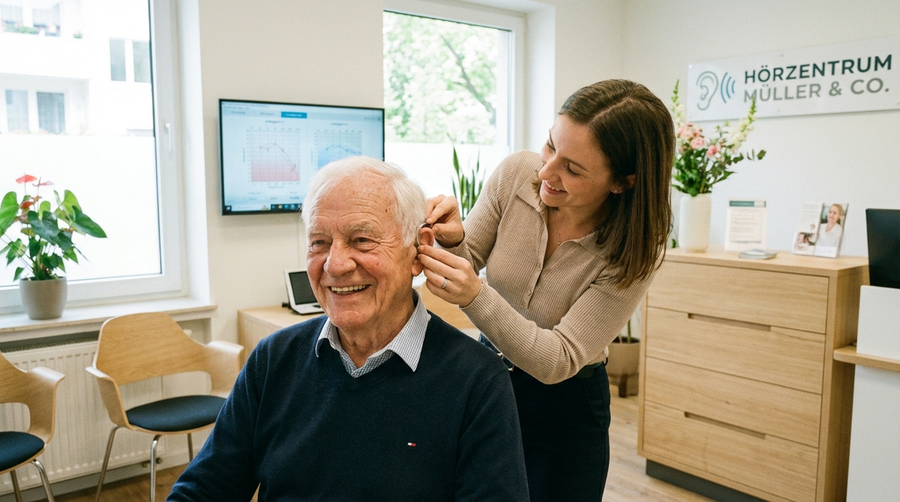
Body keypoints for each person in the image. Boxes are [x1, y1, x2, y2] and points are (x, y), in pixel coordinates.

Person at [168, 156, 529, 502]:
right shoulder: (273, 360)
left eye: (362, 240)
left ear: (418, 252)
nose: (335, 265)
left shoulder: (477, 381)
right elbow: (203, 491)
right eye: (319, 243)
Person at [417, 79, 674, 501]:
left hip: (566, 412)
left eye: (573, 169)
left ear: (622, 182)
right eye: (550, 145)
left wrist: (476, 296)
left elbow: (559, 359)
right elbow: (470, 256)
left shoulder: (635, 250)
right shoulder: (516, 174)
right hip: (488, 383)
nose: (545, 172)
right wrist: (453, 238)